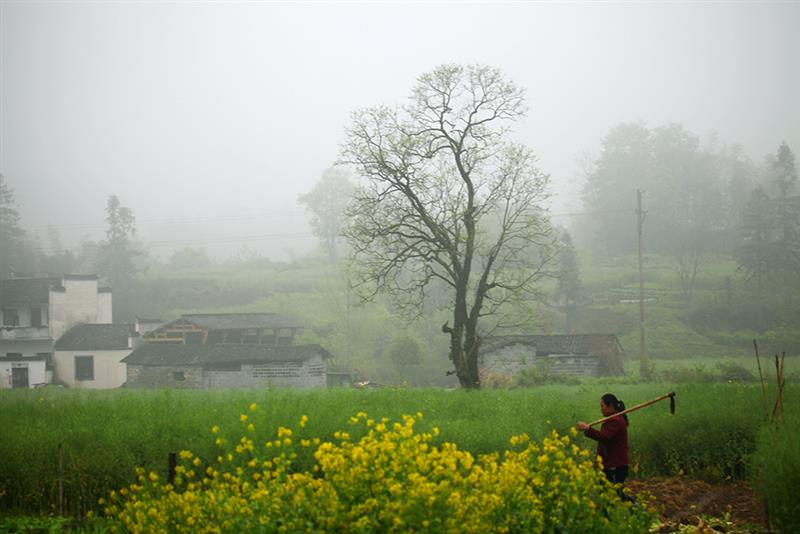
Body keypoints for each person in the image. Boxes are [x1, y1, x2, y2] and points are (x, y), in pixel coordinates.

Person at [577, 393, 631, 494]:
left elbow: (604, 437)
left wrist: (587, 428)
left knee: (614, 495)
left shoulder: (615, 420)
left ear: (610, 406)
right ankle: (634, 508)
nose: (601, 409)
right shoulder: (615, 419)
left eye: (602, 406)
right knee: (610, 495)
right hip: (612, 463)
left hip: (615, 465)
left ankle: (635, 508)